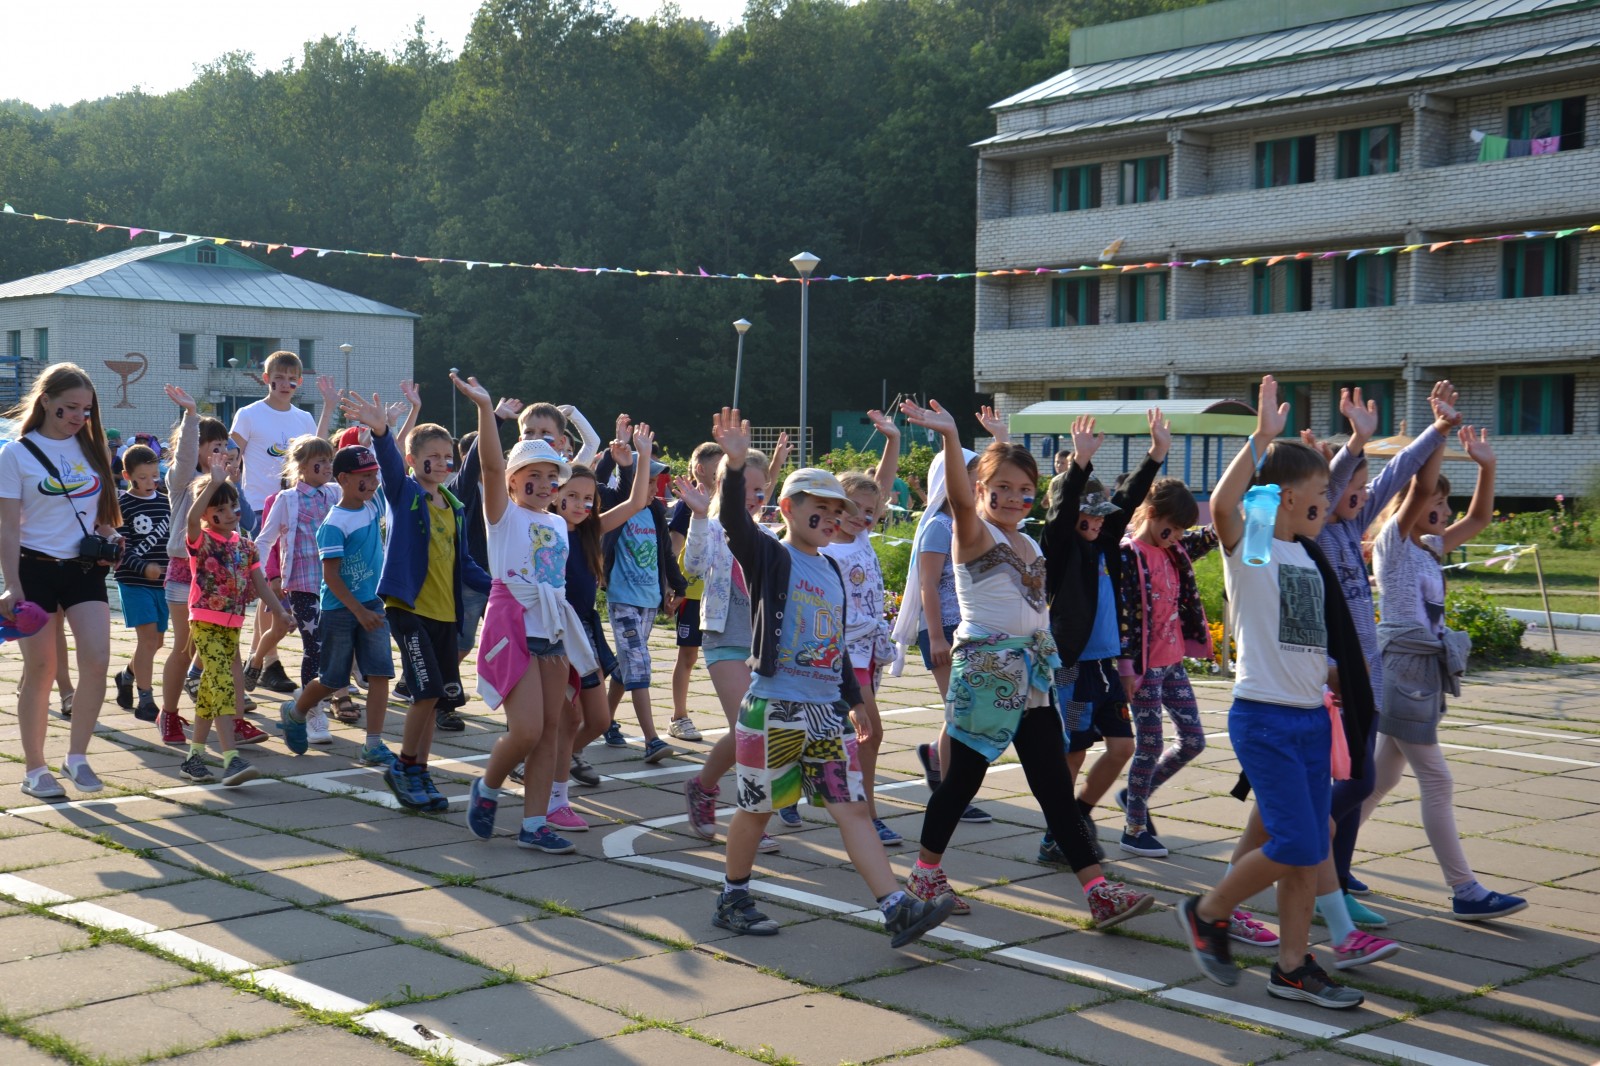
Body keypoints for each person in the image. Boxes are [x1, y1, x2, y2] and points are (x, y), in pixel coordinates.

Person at [707, 407, 956, 949]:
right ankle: (733, 895)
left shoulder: (834, 569)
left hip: (825, 712)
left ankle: (896, 908)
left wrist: (857, 701)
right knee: (757, 809)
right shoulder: (769, 555)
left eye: (834, 508)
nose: (827, 515)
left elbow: (837, 644)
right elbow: (733, 522)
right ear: (787, 509)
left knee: (852, 808)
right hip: (774, 706)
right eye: (815, 506)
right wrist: (731, 465)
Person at [898, 399, 1153, 929]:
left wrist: (1076, 464)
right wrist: (950, 435)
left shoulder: (1030, 541)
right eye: (1002, 488)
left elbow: (1059, 528)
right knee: (963, 780)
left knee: (1054, 787)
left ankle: (1098, 891)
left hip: (1032, 678)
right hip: (987, 675)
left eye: (1024, 490)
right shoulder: (971, 532)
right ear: (980, 489)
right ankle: (924, 873)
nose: (1014, 498)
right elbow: (965, 501)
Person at [1176, 374, 1375, 1010]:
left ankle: (1293, 967)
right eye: (1318, 493)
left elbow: (1308, 639)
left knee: (1306, 850)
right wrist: (1260, 438)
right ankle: (1208, 913)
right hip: (1264, 718)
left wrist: (1334, 675)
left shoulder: (1307, 557)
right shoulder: (1258, 550)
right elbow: (1227, 504)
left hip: (1311, 718)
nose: (1329, 501)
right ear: (1286, 497)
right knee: (1294, 844)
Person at [1360, 421, 1528, 921]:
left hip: (1419, 673)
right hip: (1405, 669)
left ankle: (1328, 858)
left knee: (1380, 779)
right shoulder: (1393, 544)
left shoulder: (1431, 547)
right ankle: (1465, 890)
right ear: (1419, 503)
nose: (1446, 512)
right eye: (1439, 503)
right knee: (1437, 779)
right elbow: (1418, 490)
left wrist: (1488, 465)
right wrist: (1436, 435)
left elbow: (1478, 518)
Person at [455, 372, 616, 852]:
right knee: (525, 729)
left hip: (552, 628)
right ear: (513, 480)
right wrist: (487, 410)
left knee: (549, 733)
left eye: (552, 477)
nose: (545, 484)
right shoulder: (503, 514)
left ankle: (533, 825)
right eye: (534, 476)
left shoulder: (558, 524)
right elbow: (487, 466)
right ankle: (487, 787)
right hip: (513, 623)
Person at [1316, 382, 1456, 922]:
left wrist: (1439, 430)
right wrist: (1354, 442)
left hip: (1367, 679)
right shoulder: (1320, 535)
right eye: (1351, 485)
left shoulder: (1352, 527)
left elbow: (1398, 473)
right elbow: (1329, 490)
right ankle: (1303, 849)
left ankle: (1339, 879)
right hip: (1335, 683)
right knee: (1358, 783)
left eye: (1361, 485)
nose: (1360, 492)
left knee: (1361, 781)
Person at [328, 389, 492, 811]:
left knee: (435, 697)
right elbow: (388, 461)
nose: (440, 463)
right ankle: (404, 766)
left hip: (445, 615)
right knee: (426, 691)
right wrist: (382, 431)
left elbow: (465, 562)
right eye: (431, 456)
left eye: (446, 456)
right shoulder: (406, 494)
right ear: (414, 460)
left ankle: (418, 769)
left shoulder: (453, 505)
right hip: (409, 611)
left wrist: (501, 586)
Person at [1037, 411, 1165, 870]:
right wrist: (1081, 467)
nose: (1094, 521)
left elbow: (1126, 503)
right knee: (1073, 750)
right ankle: (1057, 836)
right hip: (1070, 666)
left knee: (1121, 748)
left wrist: (1156, 455)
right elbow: (1065, 511)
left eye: (1099, 515)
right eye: (1086, 515)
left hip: (1104, 668)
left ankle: (1076, 816)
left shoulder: (1103, 543)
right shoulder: (1059, 548)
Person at [0, 364, 123, 798]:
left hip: (83, 570)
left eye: (85, 410)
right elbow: (8, 528)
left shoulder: (92, 450)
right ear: (46, 400)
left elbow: (100, 514)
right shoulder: (15, 454)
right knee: (42, 670)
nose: (77, 417)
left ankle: (77, 757)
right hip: (33, 570)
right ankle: (35, 770)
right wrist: (12, 586)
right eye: (69, 407)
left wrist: (111, 535)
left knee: (97, 660)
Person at [539, 438, 657, 826]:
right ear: (556, 495)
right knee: (565, 717)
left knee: (600, 720)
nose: (581, 504)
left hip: (585, 627)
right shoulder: (547, 528)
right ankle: (554, 793)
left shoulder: (592, 531)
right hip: (554, 630)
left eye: (588, 498)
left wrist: (638, 460)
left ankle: (558, 758)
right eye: (572, 495)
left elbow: (636, 503)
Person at [676, 449, 782, 854]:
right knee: (752, 729)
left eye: (762, 489)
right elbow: (695, 566)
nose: (756, 497)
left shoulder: (770, 536)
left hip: (761, 644)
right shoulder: (713, 527)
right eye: (749, 488)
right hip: (724, 639)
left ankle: (702, 787)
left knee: (755, 730)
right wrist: (700, 518)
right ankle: (753, 815)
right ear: (726, 486)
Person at [1115, 475, 1218, 857]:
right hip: (1143, 669)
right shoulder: (1129, 554)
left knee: (1193, 741)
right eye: (1172, 528)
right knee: (1150, 742)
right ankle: (1134, 827)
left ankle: (1134, 794)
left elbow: (1211, 533)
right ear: (1153, 513)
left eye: (1181, 532)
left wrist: (1237, 503)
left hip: (1172, 664)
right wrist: (1126, 668)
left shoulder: (1175, 549)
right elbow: (1123, 616)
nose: (1176, 537)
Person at [277, 445, 395, 766]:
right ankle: (297, 710)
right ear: (343, 479)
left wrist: (385, 432)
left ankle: (373, 743)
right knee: (332, 679)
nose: (372, 483)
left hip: (373, 606)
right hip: (341, 610)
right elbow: (331, 577)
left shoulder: (374, 506)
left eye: (374, 476)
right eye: (364, 477)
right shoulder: (333, 523)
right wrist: (358, 611)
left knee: (380, 674)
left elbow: (393, 472)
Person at [179, 462, 294, 785]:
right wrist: (212, 484)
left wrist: (281, 612)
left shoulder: (246, 546)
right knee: (223, 686)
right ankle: (231, 758)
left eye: (233, 506)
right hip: (205, 621)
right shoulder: (201, 540)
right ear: (207, 515)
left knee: (211, 691)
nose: (230, 513)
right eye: (220, 508)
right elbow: (190, 519)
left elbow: (259, 585)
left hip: (232, 625)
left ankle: (194, 757)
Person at [819, 411, 902, 843]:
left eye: (871, 512)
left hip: (869, 649)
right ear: (836, 507)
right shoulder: (827, 550)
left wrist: (893, 440)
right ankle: (867, 814)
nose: (865, 517)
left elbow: (883, 485)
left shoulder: (864, 538)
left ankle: (814, 792)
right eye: (855, 509)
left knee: (848, 734)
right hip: (843, 654)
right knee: (871, 730)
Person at [899, 448, 993, 826]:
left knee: (965, 711)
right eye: (972, 478)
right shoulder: (938, 526)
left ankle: (938, 758)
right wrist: (936, 637)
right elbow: (928, 586)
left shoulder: (969, 523)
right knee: (961, 714)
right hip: (943, 631)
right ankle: (954, 794)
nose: (977, 485)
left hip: (969, 630)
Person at [597, 433, 688, 763]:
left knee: (626, 666)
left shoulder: (653, 514)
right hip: (622, 599)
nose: (654, 487)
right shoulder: (616, 507)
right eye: (648, 480)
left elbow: (665, 554)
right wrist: (612, 454)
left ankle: (603, 721)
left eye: (655, 481)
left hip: (648, 601)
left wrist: (677, 588)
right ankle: (652, 740)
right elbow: (595, 483)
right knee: (638, 663)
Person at [255, 433, 340, 743]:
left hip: (336, 587)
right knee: (314, 646)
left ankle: (310, 701)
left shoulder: (336, 494)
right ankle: (313, 713)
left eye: (330, 460)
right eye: (321, 461)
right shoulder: (288, 500)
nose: (328, 466)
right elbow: (265, 539)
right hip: (302, 586)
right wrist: (258, 576)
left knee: (335, 648)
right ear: (301, 466)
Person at [228, 353, 337, 531]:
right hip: (259, 507)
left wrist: (328, 408)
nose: (286, 384)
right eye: (278, 378)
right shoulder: (248, 414)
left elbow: (320, 454)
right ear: (266, 378)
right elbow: (232, 459)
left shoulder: (305, 418)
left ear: (299, 382)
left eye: (292, 379)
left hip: (298, 505)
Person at [666, 441, 726, 743]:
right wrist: (671, 585)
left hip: (719, 593)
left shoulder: (727, 502)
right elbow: (674, 544)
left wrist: (778, 461)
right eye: (719, 469)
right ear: (701, 470)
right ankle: (678, 715)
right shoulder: (686, 504)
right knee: (687, 656)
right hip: (690, 593)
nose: (724, 475)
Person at [111, 443, 171, 723]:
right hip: (134, 582)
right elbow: (125, 547)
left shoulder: (165, 501)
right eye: (143, 477)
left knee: (156, 642)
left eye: (154, 476)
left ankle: (126, 676)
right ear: (127, 475)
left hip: (163, 584)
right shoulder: (122, 505)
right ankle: (146, 700)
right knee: (147, 640)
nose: (150, 482)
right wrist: (144, 567)